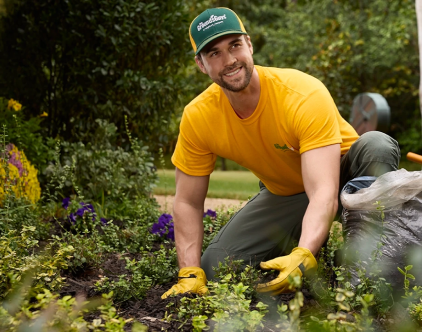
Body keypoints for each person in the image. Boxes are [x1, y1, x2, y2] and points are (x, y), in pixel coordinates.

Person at [162, 7, 400, 298]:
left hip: (346, 171)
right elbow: (186, 201)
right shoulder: (198, 117)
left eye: (235, 45)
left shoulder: (301, 93)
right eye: (214, 53)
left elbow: (324, 190)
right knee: (216, 266)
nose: (230, 60)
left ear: (249, 45)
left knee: (376, 144)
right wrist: (189, 271)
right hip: (289, 192)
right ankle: (290, 249)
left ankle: (369, 262)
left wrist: (305, 251)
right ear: (201, 64)